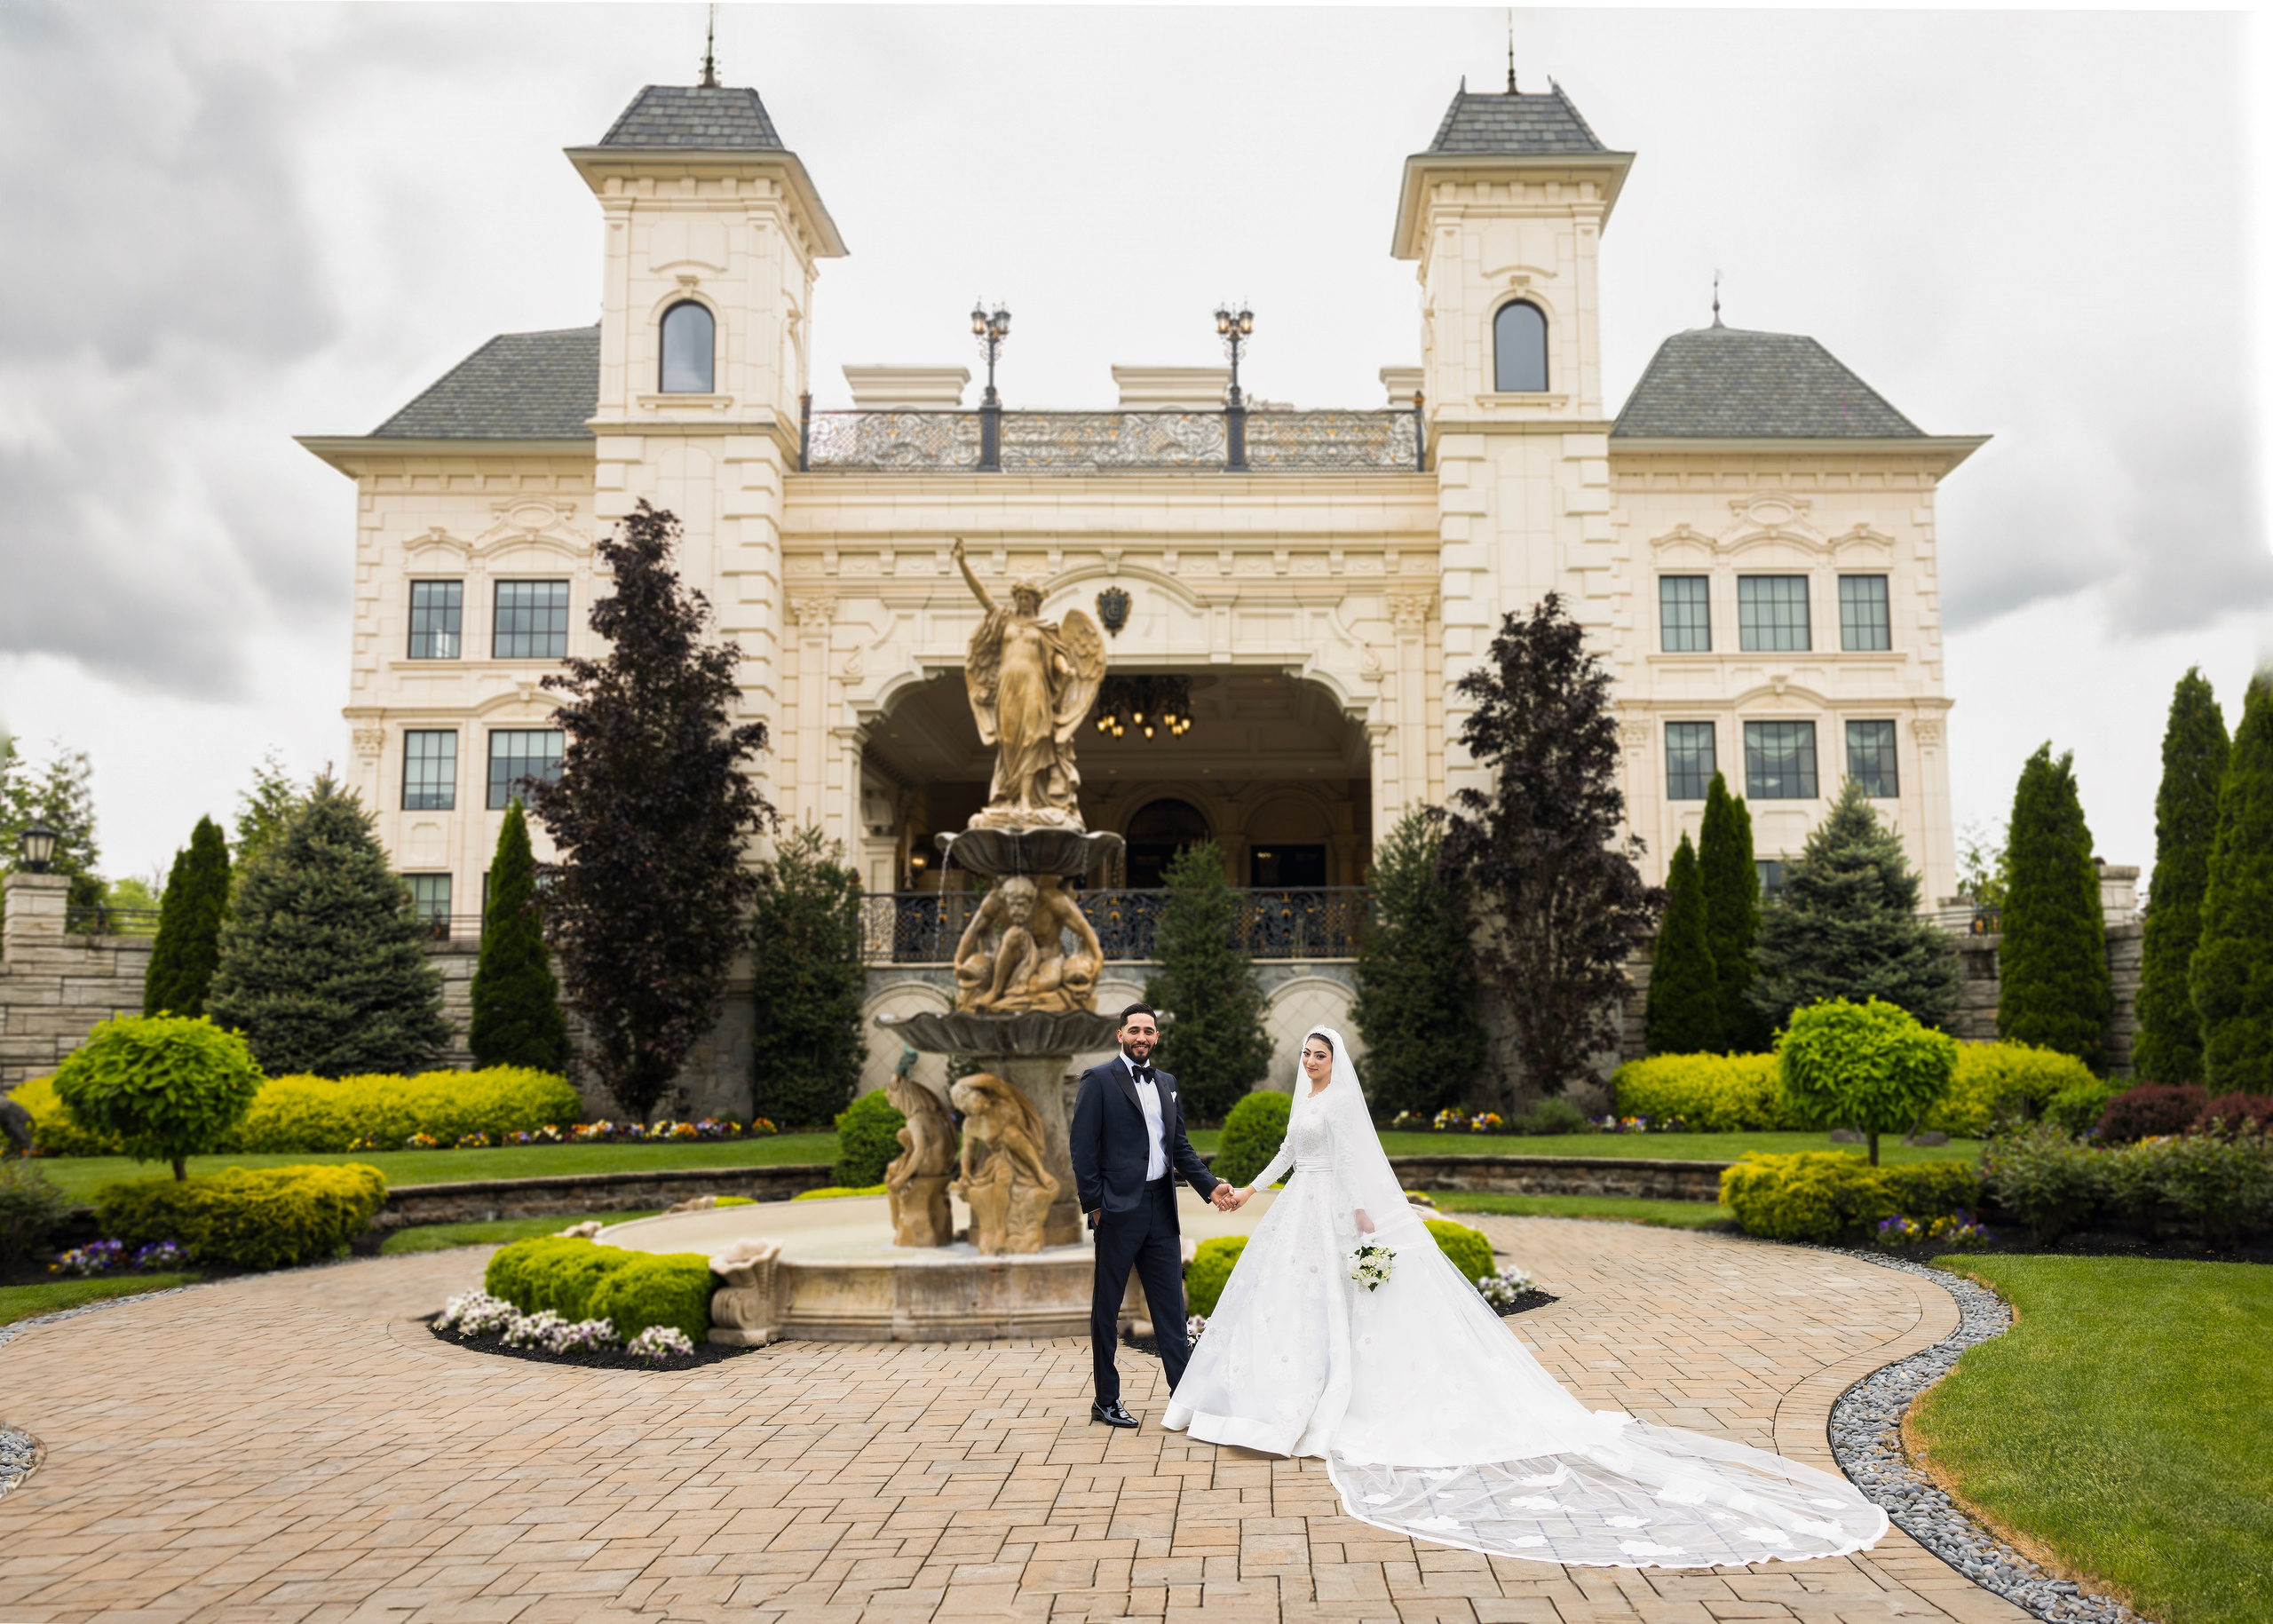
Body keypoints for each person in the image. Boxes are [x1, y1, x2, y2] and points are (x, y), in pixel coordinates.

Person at [1164, 1028, 1889, 1569]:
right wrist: (1247, 1190)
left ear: (1337, 1060)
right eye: (1305, 1054)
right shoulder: (1300, 1100)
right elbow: (1291, 1155)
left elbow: (1359, 1169)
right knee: (1284, 1307)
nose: (1310, 1061)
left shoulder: (1344, 1103)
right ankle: (1281, 1395)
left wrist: (1365, 1237)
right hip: (1295, 1216)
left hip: (1334, 1218)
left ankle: (1332, 1396)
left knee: (1344, 1309)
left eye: (1319, 1053)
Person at [1069, 1002, 1237, 1429]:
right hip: (1117, 1211)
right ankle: (1106, 1400)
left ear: (1157, 1037)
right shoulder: (1098, 1080)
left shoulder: (1167, 1083)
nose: (1141, 1037)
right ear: (1120, 1034)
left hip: (1161, 1211)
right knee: (1107, 1307)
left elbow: (1178, 1147)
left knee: (1169, 1310)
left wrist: (1210, 1186)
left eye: (1149, 1031)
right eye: (1134, 1030)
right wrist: (1095, 1205)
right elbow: (1082, 1148)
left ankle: (1184, 1399)